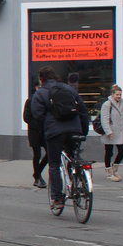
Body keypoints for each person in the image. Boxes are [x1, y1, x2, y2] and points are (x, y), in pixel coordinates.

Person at [30, 66, 90, 210]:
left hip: (55, 132)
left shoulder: (41, 93)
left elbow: (37, 115)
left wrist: (46, 130)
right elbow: (82, 110)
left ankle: (57, 198)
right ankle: (78, 180)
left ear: (41, 79)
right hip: (75, 129)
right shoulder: (69, 89)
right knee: (73, 157)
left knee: (55, 164)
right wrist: (83, 131)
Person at [22, 85, 47, 189]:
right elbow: (26, 117)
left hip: (45, 131)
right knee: (37, 155)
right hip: (34, 131)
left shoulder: (46, 100)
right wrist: (36, 124)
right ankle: (37, 177)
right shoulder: (30, 101)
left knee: (49, 153)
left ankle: (37, 172)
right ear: (36, 88)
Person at [99, 84, 123, 181]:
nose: (119, 96)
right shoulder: (107, 104)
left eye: (120, 94)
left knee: (122, 151)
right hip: (110, 131)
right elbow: (104, 119)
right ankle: (109, 172)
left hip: (120, 131)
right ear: (112, 95)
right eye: (117, 94)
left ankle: (115, 169)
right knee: (109, 152)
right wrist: (108, 131)